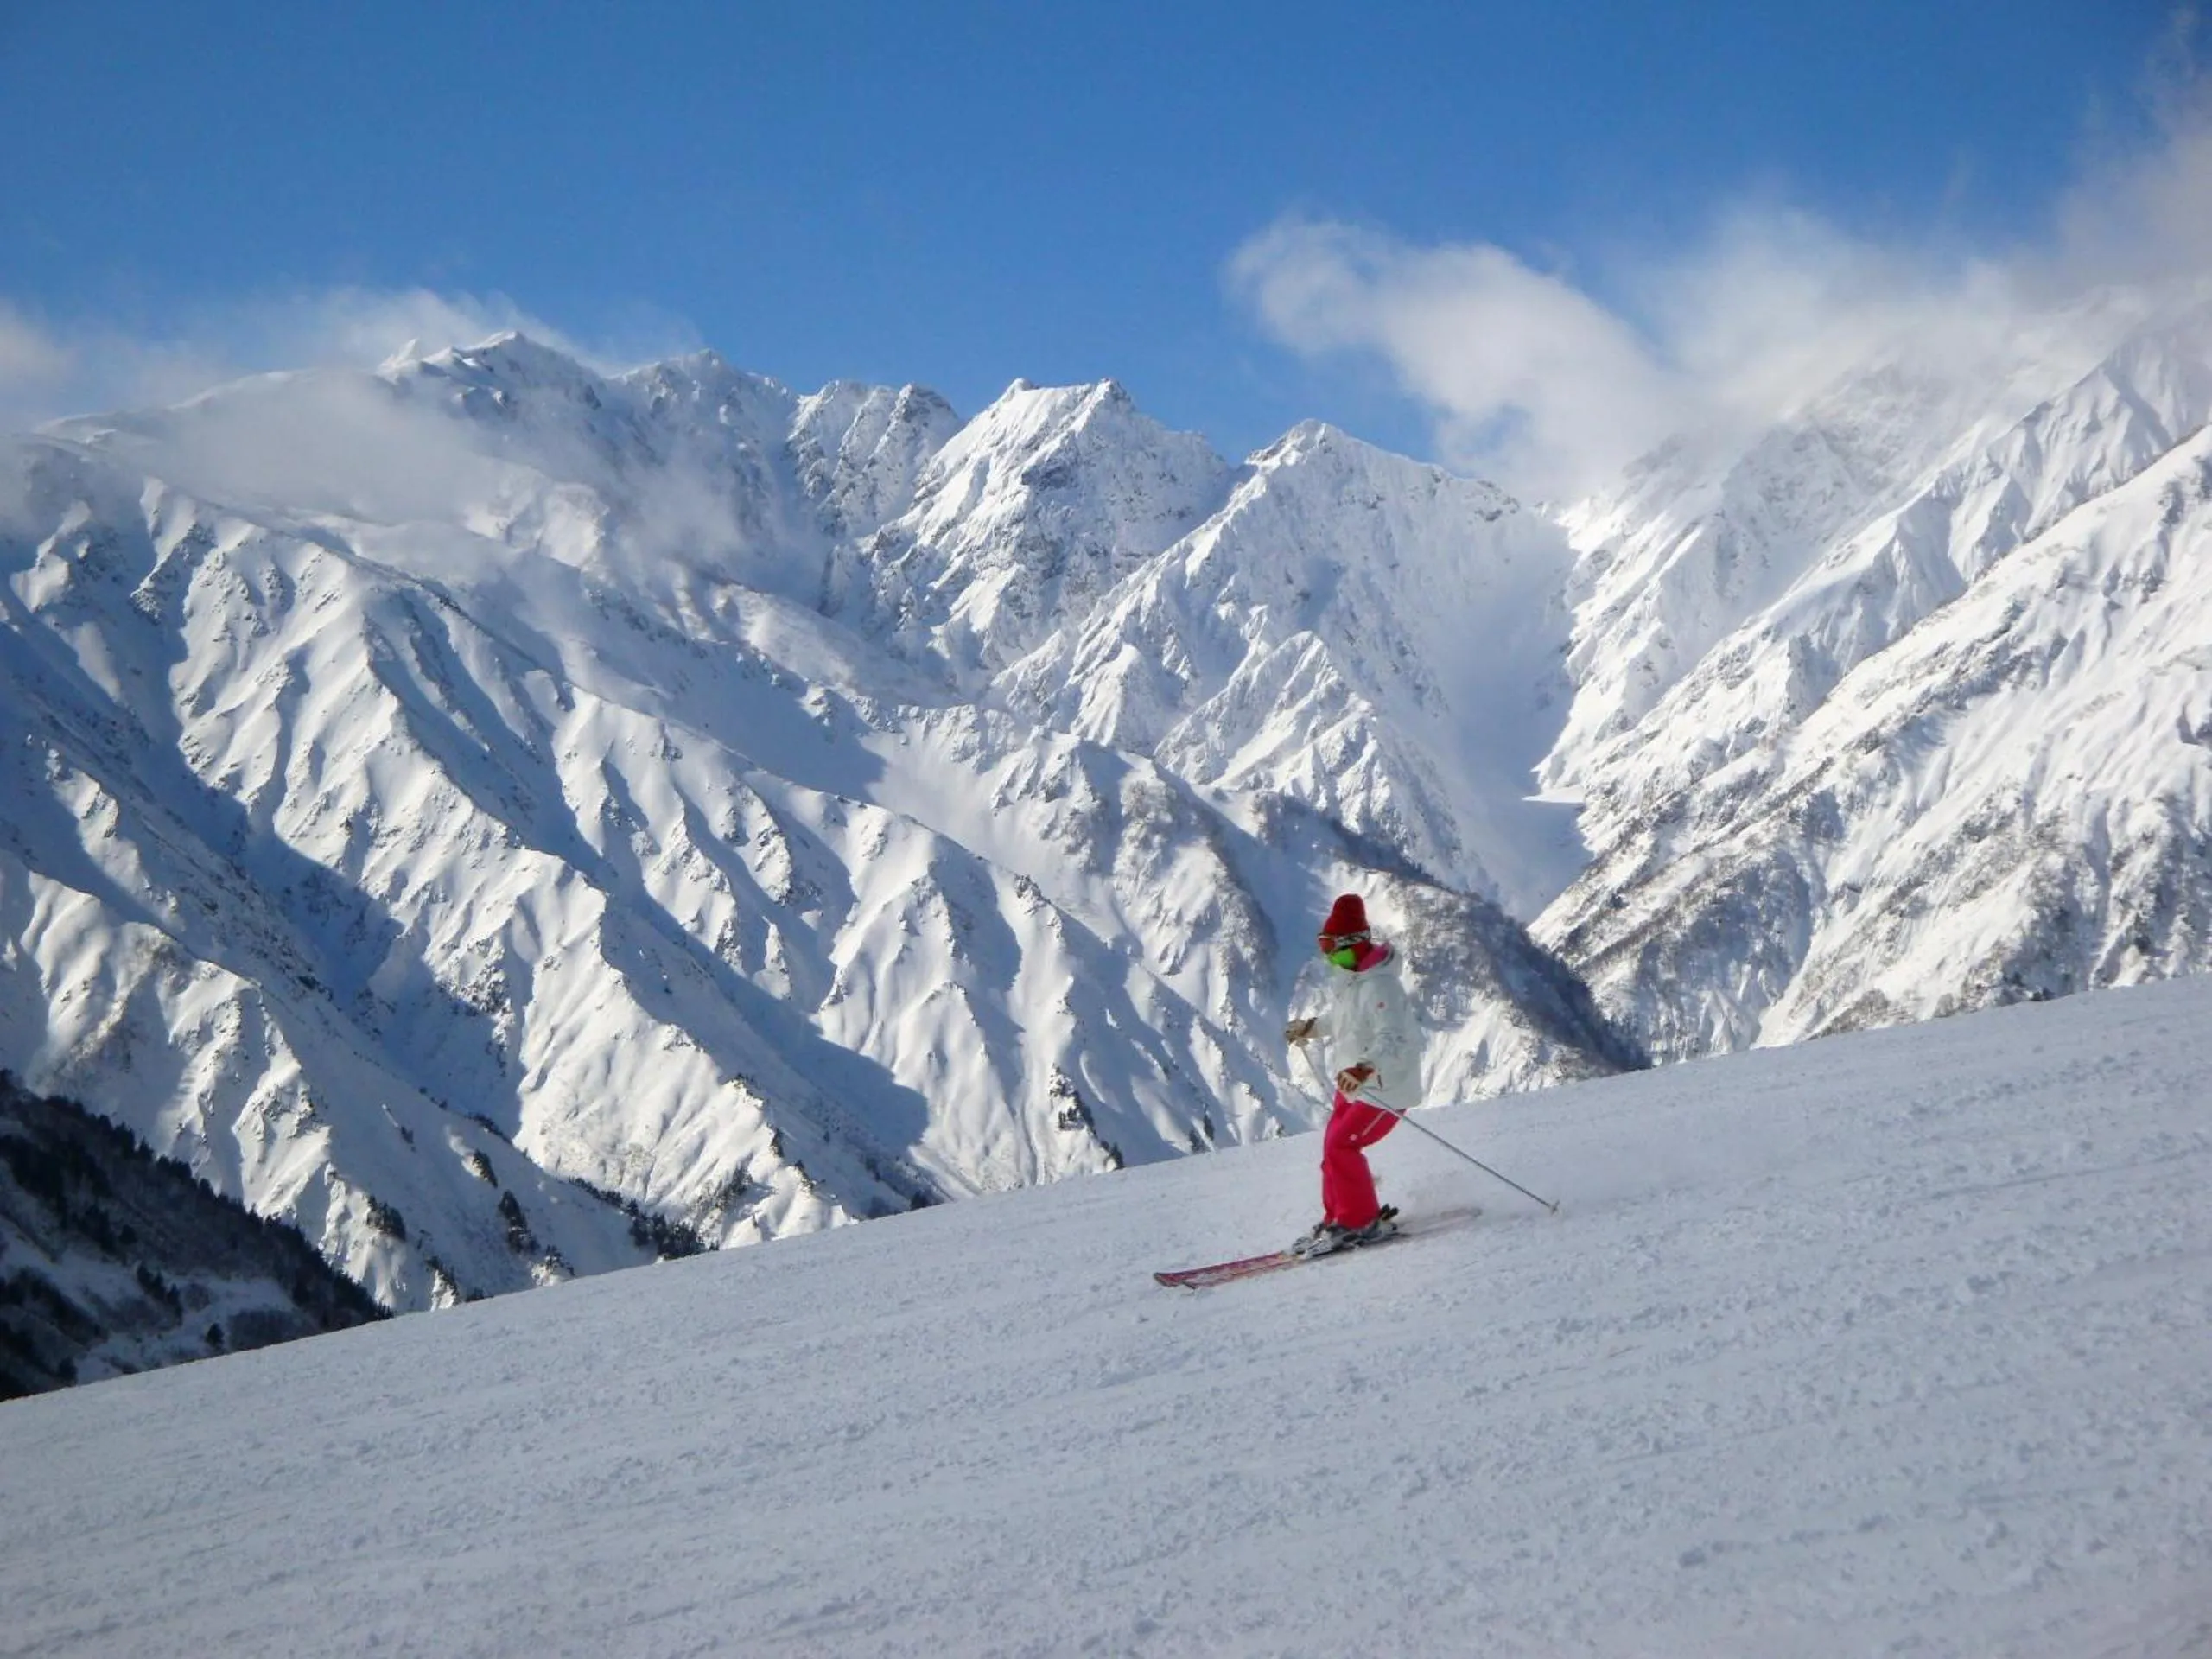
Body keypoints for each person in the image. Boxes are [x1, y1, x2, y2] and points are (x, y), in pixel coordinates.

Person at [1283, 893, 1422, 1257]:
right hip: (1355, 1086)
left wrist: (1364, 1068)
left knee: (1343, 1146)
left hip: (1384, 1088)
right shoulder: (1353, 980)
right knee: (1331, 1149)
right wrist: (1310, 1027)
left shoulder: (1381, 987)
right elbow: (1342, 1021)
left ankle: (1359, 1221)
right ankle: (1338, 1218)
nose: (1328, 955)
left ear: (1352, 944)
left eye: (1331, 947)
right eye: (1323, 947)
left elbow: (1392, 1039)